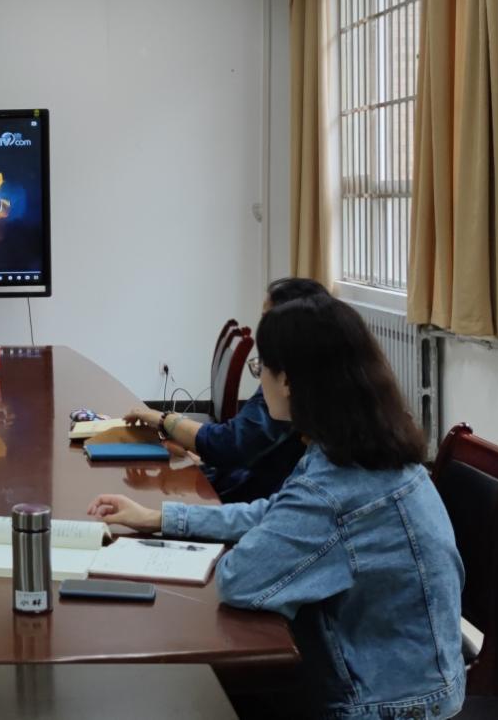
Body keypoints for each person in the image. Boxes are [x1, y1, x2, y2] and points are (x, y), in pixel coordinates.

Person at [88, 288, 464, 719]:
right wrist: (161, 518)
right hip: (412, 680)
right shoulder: (368, 450)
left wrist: (234, 543)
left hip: (383, 706)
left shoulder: (335, 487)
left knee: (178, 695)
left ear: (287, 380)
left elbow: (239, 579)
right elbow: (277, 512)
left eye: (260, 366)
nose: (259, 379)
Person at [124, 277, 329, 503]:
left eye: (266, 319)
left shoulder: (291, 392)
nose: (262, 330)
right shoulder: (304, 380)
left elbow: (231, 445)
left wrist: (165, 421)